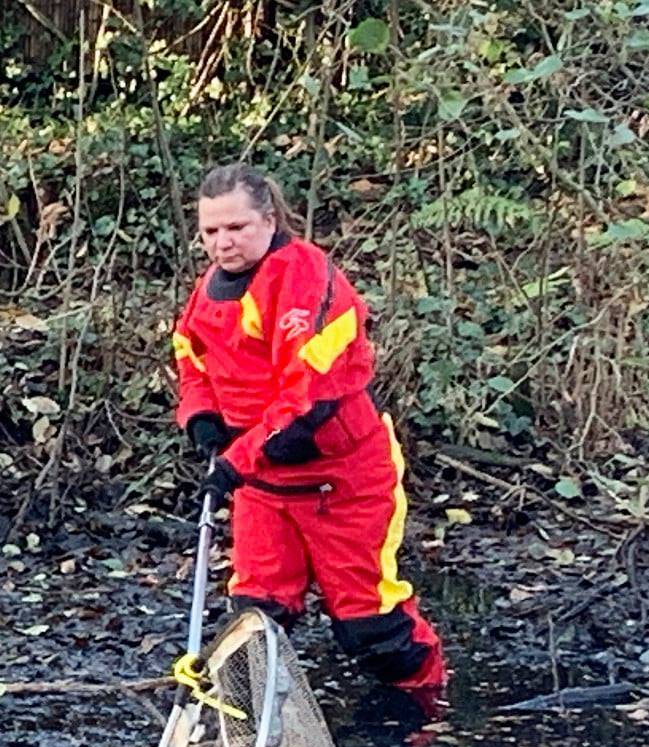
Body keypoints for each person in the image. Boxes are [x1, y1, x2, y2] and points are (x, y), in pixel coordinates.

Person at [171, 162, 446, 692]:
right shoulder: (209, 289)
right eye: (211, 231)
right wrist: (202, 418)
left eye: (236, 228)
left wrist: (235, 461)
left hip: (342, 481)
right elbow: (192, 357)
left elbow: (307, 396)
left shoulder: (305, 277)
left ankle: (425, 714)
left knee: (373, 629)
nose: (223, 242)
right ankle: (261, 729)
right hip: (264, 484)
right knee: (256, 619)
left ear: (268, 221)